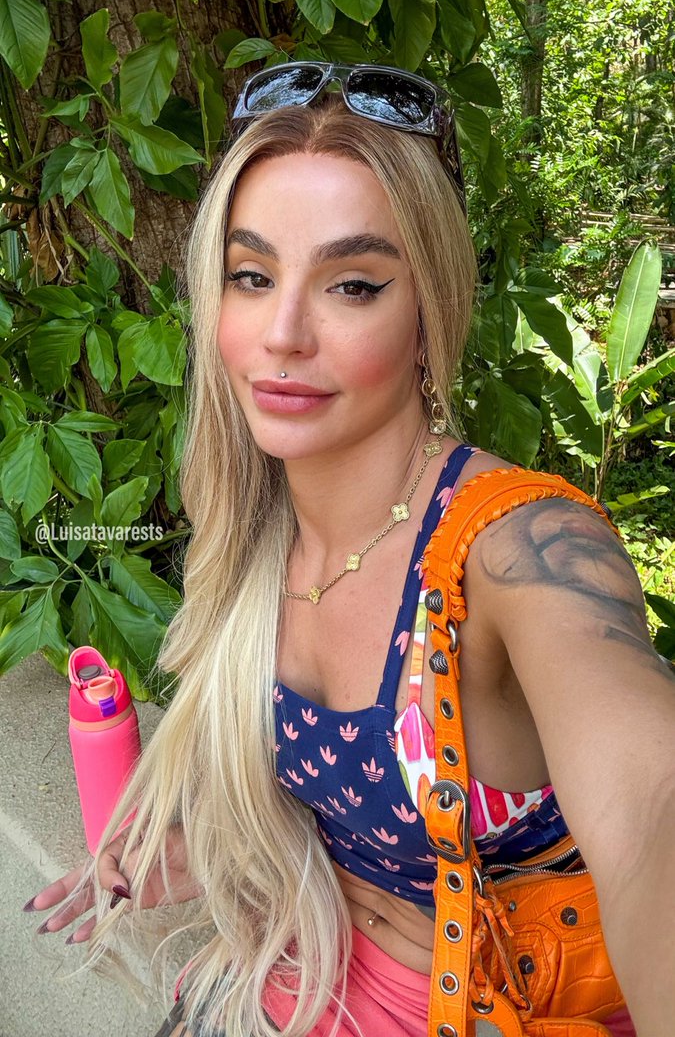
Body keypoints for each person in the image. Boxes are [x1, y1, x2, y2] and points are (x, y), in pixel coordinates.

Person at [23, 62, 675, 1037]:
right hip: (313, 961)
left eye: (353, 285)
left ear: (428, 316)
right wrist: (205, 850)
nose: (283, 332)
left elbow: (653, 811)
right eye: (252, 277)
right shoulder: (251, 530)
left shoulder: (519, 548)